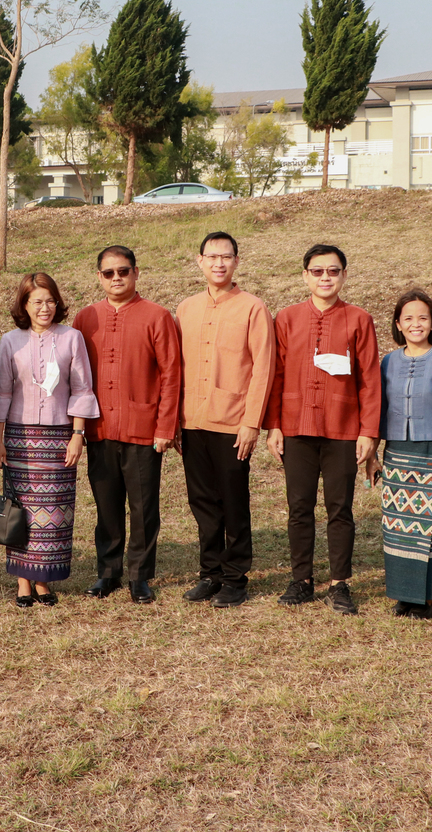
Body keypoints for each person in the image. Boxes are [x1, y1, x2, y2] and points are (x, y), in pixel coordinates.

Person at [264, 244, 381, 615]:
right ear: (305, 276)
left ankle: (339, 583)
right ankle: (301, 580)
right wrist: (275, 425)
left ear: (344, 275)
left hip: (342, 428)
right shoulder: (286, 318)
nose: (325, 278)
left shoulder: (359, 319)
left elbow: (370, 381)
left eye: (333, 271)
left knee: (339, 507)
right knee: (299, 506)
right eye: (317, 271)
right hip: (296, 426)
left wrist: (368, 433)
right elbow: (276, 375)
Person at [74, 245, 182, 604]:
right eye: (109, 273)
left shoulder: (157, 316)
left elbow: (171, 374)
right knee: (106, 505)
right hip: (99, 427)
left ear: (136, 273)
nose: (117, 278)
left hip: (143, 427)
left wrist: (166, 427)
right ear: (99, 277)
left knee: (143, 505)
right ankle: (108, 572)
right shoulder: (86, 318)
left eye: (123, 271)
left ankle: (140, 575)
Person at [175, 232, 275, 609]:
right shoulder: (186, 308)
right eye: (212, 256)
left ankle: (235, 577)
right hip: (192, 420)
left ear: (236, 261)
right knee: (202, 501)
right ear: (199, 261)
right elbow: (176, 368)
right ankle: (210, 573)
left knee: (234, 501)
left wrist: (252, 423)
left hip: (233, 422)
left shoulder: (252, 308)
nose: (219, 263)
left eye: (226, 256)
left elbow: (263, 367)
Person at [0, 272, 99, 606]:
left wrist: (78, 435)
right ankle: (24, 580)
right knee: (21, 511)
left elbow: (82, 388)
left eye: (50, 300)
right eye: (37, 301)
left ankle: (44, 580)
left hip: (58, 439)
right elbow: (1, 394)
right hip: (19, 438)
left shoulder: (72, 338)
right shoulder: (11, 341)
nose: (45, 307)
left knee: (52, 513)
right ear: (24, 304)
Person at [364, 289, 432, 619]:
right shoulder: (389, 362)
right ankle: (403, 594)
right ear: (398, 324)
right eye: (408, 318)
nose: (416, 324)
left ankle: (427, 598)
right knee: (400, 526)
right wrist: (373, 455)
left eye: (423, 317)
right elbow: (379, 411)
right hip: (397, 454)